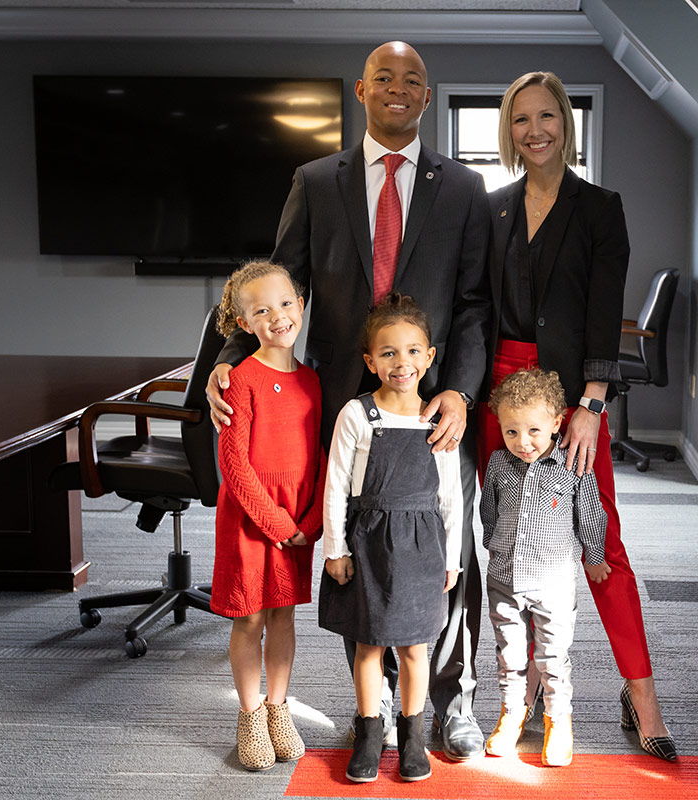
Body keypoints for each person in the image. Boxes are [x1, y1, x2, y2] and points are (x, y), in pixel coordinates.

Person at [206, 41, 491, 760]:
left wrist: (458, 389)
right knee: (353, 551)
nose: (399, 89)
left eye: (414, 81)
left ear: (429, 97)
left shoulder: (462, 188)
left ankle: (446, 704)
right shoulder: (315, 180)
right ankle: (376, 712)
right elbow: (276, 283)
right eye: (385, 78)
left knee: (440, 548)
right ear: (361, 89)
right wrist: (228, 360)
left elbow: (475, 304)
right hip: (341, 409)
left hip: (431, 410)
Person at [478, 71, 677, 761]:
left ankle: (641, 693)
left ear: (567, 122)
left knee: (601, 548)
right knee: (512, 545)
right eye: (521, 119)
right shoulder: (493, 207)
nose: (535, 130)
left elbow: (601, 314)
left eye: (547, 117)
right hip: (499, 403)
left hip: (571, 401)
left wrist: (592, 405)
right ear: (509, 130)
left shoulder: (600, 207)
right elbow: (480, 307)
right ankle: (530, 688)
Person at [319, 294, 463, 783]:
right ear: (369, 361)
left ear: (429, 356)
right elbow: (336, 485)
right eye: (388, 353)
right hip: (369, 546)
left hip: (423, 548)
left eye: (412, 351)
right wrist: (334, 549)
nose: (401, 363)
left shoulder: (437, 420)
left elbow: (450, 498)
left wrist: (452, 559)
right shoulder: (357, 416)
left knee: (416, 648)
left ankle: (413, 736)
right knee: (367, 644)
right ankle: (368, 732)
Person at [210, 261, 326, 772]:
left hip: (298, 523)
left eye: (284, 303)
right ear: (244, 324)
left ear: (300, 304)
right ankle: (250, 714)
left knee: (283, 613)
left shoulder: (314, 381)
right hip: (252, 521)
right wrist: (278, 524)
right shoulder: (240, 379)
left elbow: (322, 456)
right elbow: (233, 466)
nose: (277, 316)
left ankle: (280, 707)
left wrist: (313, 521)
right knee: (250, 616)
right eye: (261, 310)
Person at [480, 368, 610, 767]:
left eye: (534, 431)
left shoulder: (571, 466)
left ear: (556, 424)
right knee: (510, 655)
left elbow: (590, 514)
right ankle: (511, 714)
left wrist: (596, 554)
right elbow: (489, 512)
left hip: (553, 583)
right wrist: (493, 546)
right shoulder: (499, 464)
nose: (523, 443)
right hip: (504, 580)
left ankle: (558, 720)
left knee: (553, 657)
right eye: (511, 432)